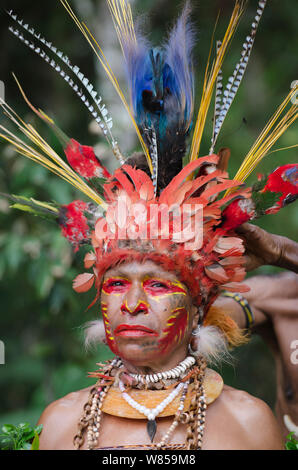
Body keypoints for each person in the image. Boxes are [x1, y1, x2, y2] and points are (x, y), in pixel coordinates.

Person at [1, 0, 297, 451]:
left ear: (199, 302)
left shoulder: (248, 426)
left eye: (157, 286)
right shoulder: (61, 425)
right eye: (117, 284)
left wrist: (277, 252)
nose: (133, 304)